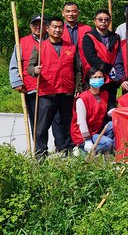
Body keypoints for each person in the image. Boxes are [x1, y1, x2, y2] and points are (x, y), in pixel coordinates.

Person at [28, 16, 82, 156]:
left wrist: (78, 88)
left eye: (60, 27)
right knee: (42, 126)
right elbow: (30, 67)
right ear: (47, 28)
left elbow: (77, 70)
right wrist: (35, 70)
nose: (57, 30)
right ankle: (41, 154)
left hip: (67, 92)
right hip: (47, 92)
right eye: (54, 27)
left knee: (68, 124)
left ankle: (68, 151)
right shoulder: (39, 47)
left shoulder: (71, 47)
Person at [9, 14, 46, 138]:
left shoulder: (53, 40)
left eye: (41, 24)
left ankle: (61, 146)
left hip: (52, 89)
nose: (38, 27)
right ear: (30, 26)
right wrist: (17, 82)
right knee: (36, 122)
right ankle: (38, 147)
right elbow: (14, 64)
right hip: (31, 88)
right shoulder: (22, 42)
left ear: (46, 26)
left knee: (57, 121)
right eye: (35, 24)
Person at [70, 66, 115, 154]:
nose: (97, 79)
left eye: (100, 77)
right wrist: (87, 139)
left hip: (96, 128)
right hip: (83, 132)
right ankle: (82, 148)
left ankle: (101, 150)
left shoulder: (104, 94)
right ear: (89, 80)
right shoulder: (82, 98)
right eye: (94, 77)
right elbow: (81, 121)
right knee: (108, 142)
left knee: (112, 125)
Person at [82, 9, 121, 105]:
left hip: (111, 79)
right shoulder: (88, 37)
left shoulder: (115, 37)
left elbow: (118, 55)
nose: (103, 21)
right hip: (96, 77)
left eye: (106, 19)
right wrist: (108, 68)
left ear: (110, 21)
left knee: (110, 106)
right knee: (95, 106)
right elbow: (91, 58)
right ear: (95, 21)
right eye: (100, 19)